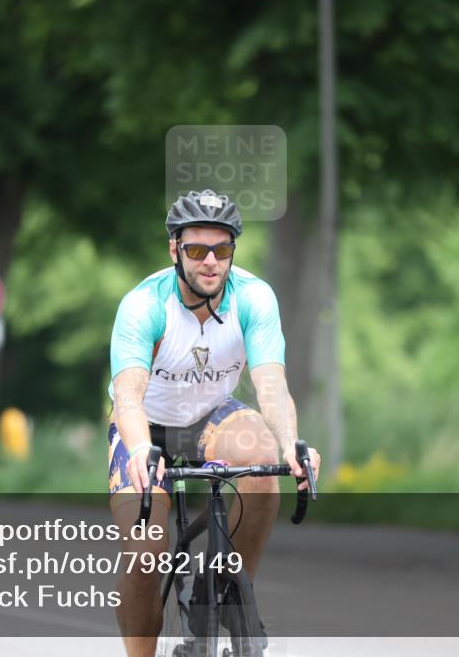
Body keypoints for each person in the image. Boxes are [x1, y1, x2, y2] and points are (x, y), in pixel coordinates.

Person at [106, 189, 321, 657]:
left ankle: (226, 589)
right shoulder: (144, 305)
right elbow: (127, 396)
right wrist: (142, 450)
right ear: (174, 250)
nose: (210, 262)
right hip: (147, 427)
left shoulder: (254, 298)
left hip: (210, 418)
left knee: (263, 459)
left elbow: (270, 385)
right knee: (146, 552)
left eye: (221, 250)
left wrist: (290, 444)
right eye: (197, 249)